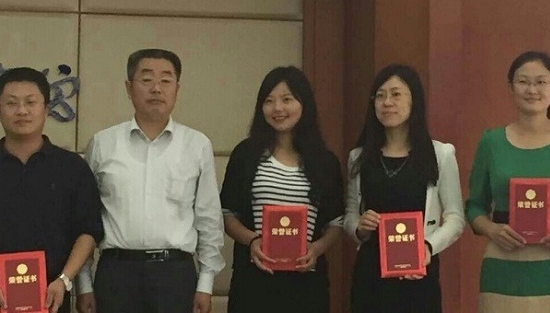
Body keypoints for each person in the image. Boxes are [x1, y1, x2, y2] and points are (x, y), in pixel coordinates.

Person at [75, 49, 225, 313]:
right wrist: (84, 283)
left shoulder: (197, 144)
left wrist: (206, 283)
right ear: (128, 88)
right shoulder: (102, 143)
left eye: (166, 80)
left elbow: (209, 218)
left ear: (177, 88)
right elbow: (86, 219)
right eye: (146, 80)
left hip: (175, 275)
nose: (156, 88)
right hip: (116, 273)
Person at [465, 51, 550, 313]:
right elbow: (474, 207)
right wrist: (492, 230)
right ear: (510, 87)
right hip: (503, 265)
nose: (532, 90)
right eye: (523, 82)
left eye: (541, 82)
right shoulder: (491, 142)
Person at [220, 66, 344, 313]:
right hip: (254, 282)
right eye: (269, 101)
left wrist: (316, 249)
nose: (277, 108)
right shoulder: (246, 154)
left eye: (287, 100)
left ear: (304, 104)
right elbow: (227, 213)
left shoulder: (325, 161)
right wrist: (252, 240)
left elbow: (335, 222)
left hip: (306, 284)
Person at [344, 63, 465, 313]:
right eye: (380, 96)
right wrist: (359, 227)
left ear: (414, 101)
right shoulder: (359, 157)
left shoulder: (440, 154)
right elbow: (350, 214)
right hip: (371, 274)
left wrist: (428, 246)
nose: (387, 102)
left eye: (396, 94)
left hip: (419, 271)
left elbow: (455, 218)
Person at [0, 67, 103, 313]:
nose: (22, 111)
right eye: (12, 103)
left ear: (46, 109)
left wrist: (65, 280)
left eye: (30, 102)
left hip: (53, 298)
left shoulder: (72, 167)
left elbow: (88, 231)